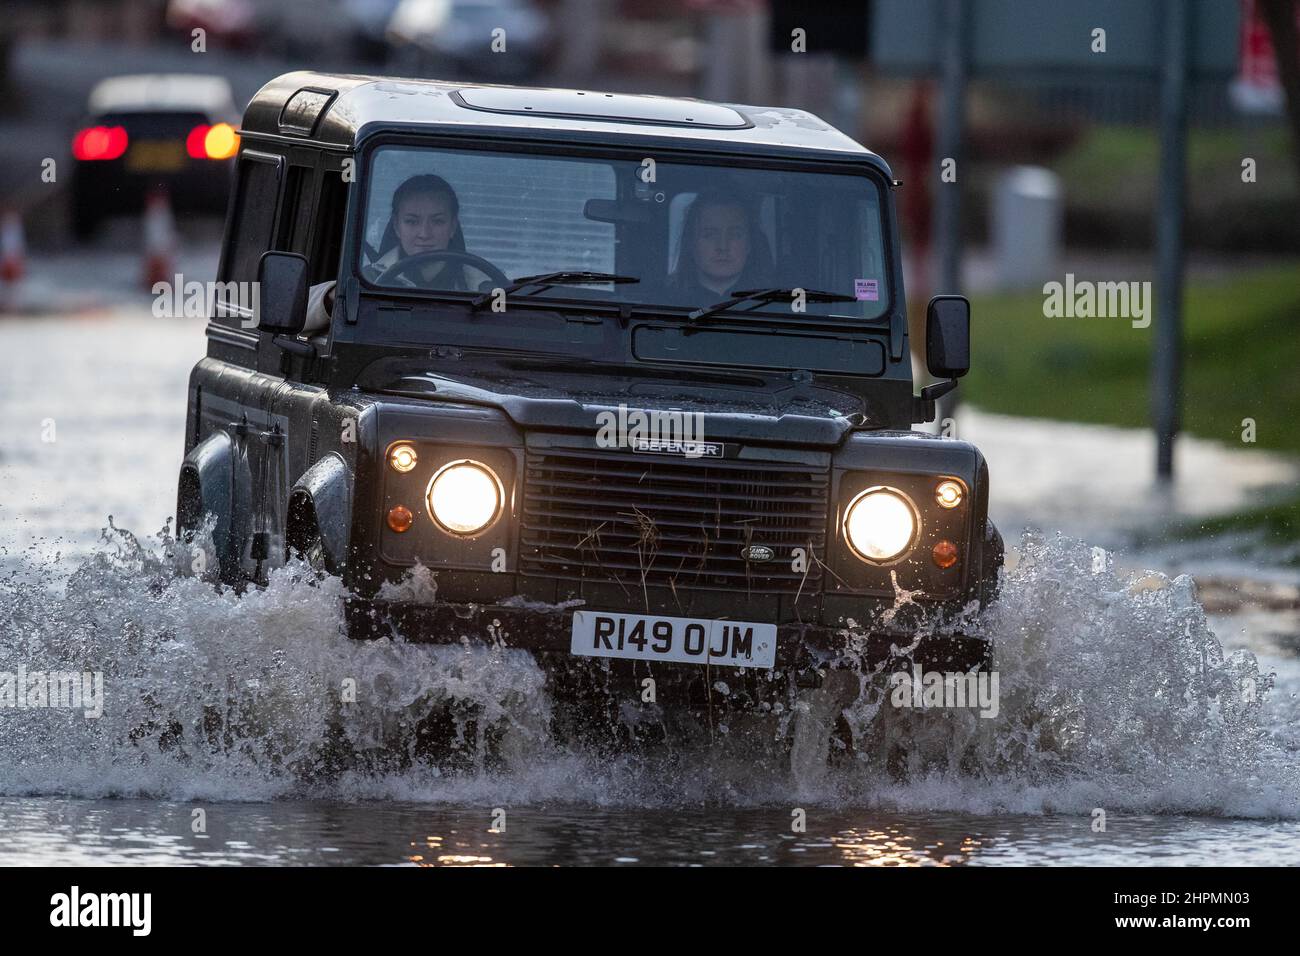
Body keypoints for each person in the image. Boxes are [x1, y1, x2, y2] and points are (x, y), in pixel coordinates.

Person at [303, 173, 481, 333]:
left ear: (453, 227)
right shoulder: (368, 279)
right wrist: (334, 297)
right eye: (412, 222)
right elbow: (294, 309)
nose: (424, 233)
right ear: (396, 226)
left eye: (438, 221)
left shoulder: (483, 285)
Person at [666, 190, 773, 306]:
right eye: (710, 235)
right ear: (691, 243)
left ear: (749, 244)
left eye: (734, 234)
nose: (722, 246)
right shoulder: (663, 303)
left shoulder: (773, 304)